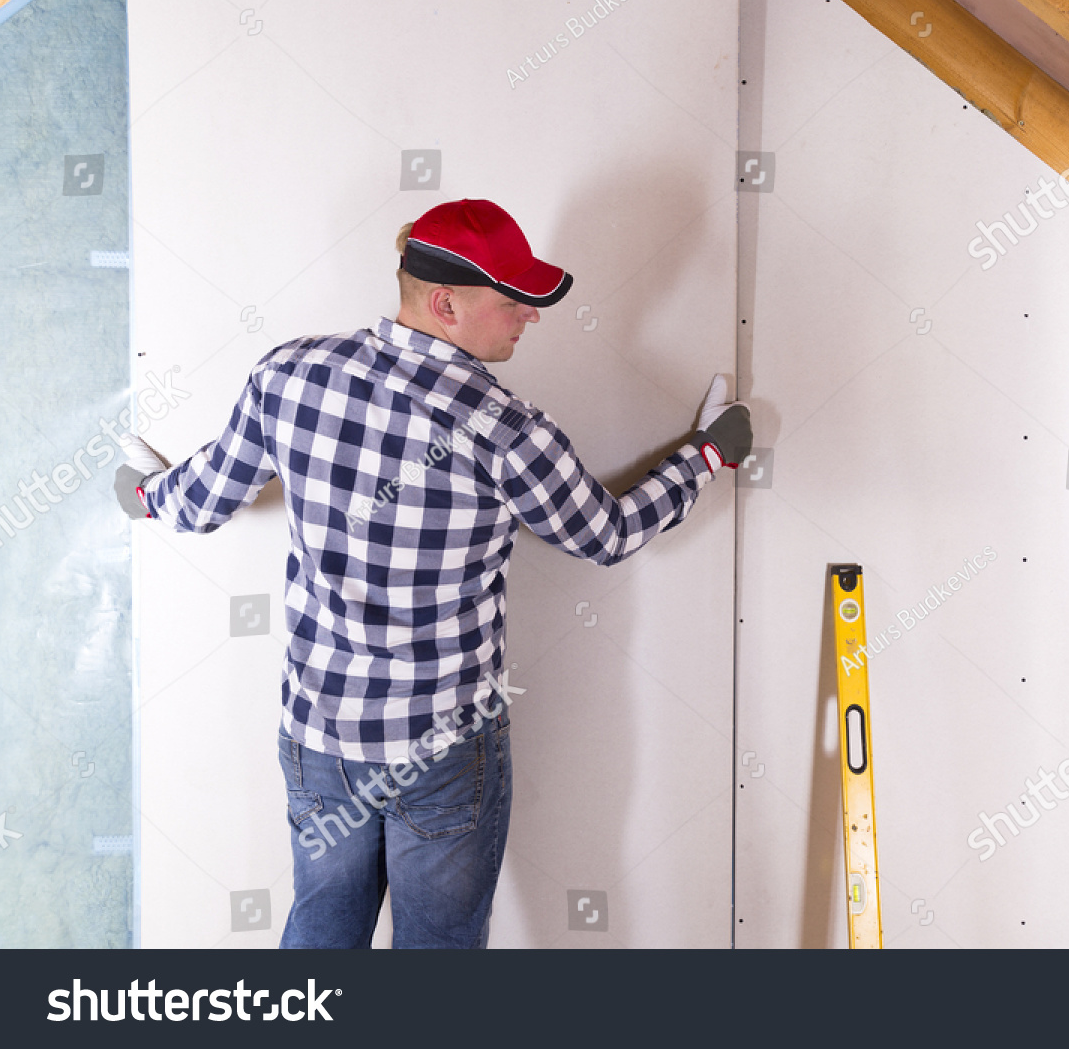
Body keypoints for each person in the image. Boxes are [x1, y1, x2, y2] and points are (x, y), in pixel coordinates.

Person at [114, 198, 752, 948]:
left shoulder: (288, 376)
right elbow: (605, 535)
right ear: (446, 302)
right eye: (514, 299)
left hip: (322, 737)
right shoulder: (510, 429)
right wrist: (709, 455)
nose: (531, 316)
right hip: (441, 751)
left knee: (321, 930)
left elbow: (207, 495)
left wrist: (147, 497)